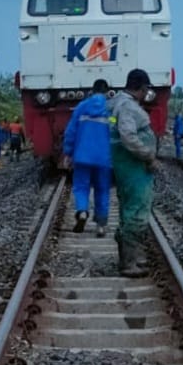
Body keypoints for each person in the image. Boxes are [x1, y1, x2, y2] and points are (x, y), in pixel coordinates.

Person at [109, 69, 158, 277]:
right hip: (133, 166)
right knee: (136, 212)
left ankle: (133, 257)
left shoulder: (116, 103)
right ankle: (130, 262)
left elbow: (115, 130)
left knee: (129, 210)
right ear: (142, 88)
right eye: (146, 89)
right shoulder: (128, 107)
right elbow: (128, 136)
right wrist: (148, 155)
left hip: (125, 165)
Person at [62, 80, 113, 237]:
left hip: (82, 156)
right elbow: (115, 129)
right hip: (104, 157)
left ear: (92, 91)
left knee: (81, 187)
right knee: (102, 189)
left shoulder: (81, 107)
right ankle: (101, 225)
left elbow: (71, 131)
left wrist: (68, 153)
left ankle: (82, 211)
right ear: (106, 92)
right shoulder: (110, 110)